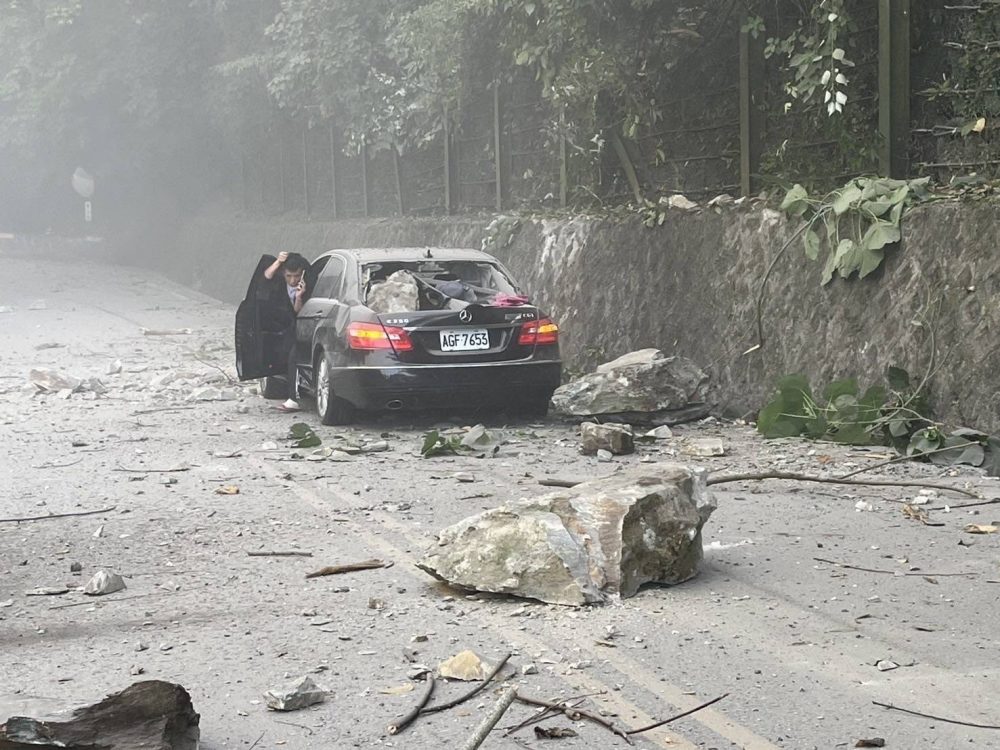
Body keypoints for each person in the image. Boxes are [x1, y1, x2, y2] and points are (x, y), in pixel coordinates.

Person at [263, 251, 309, 411]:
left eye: (296, 276)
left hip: (305, 328)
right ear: (283, 273)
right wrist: (278, 262)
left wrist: (299, 297)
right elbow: (266, 276)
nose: (292, 280)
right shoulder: (279, 282)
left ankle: (293, 398)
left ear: (302, 273)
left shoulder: (308, 284)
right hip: (287, 327)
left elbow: (300, 313)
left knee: (294, 358)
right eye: (288, 276)